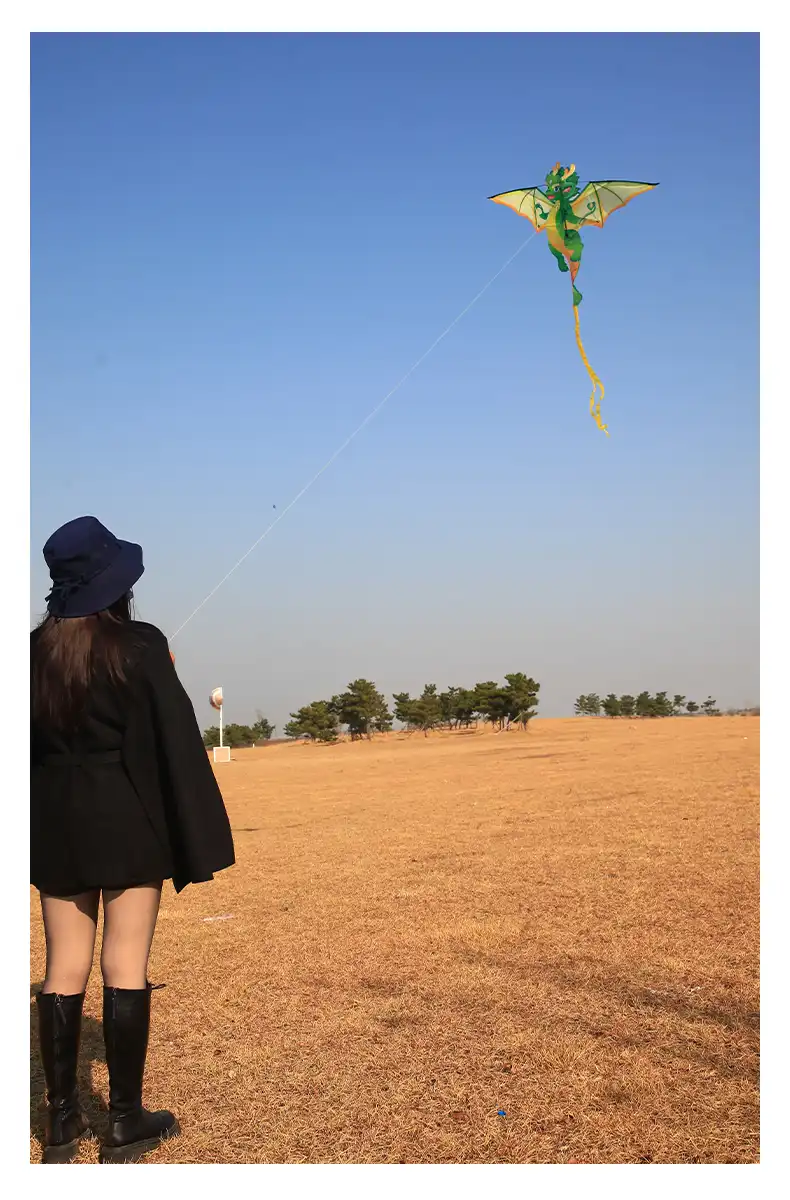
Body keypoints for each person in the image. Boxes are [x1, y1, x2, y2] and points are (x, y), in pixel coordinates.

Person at [31, 516, 235, 1163]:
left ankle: (60, 1123)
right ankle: (123, 1120)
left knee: (62, 966)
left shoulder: (30, 653)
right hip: (127, 826)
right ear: (117, 584)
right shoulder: (140, 646)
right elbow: (173, 742)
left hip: (54, 829)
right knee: (124, 964)